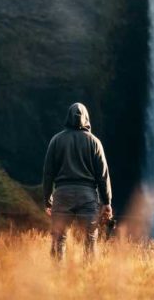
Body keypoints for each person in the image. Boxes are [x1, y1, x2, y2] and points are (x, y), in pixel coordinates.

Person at [43, 102, 113, 260]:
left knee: (58, 239)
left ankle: (56, 278)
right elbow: (103, 175)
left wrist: (47, 201)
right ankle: (88, 277)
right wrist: (107, 202)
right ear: (87, 118)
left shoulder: (56, 140)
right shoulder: (95, 142)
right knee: (90, 240)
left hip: (62, 195)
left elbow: (48, 174)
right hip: (87, 197)